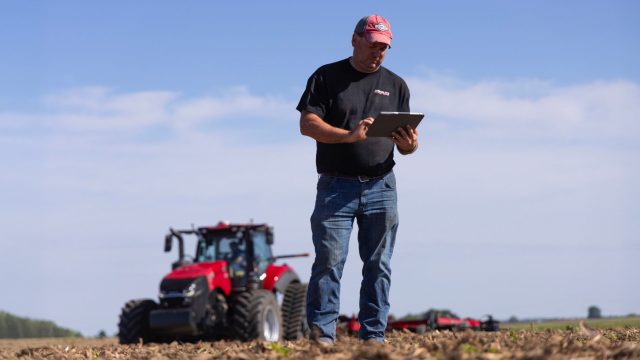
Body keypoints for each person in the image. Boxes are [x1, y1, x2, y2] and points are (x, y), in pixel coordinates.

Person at [296, 15, 419, 345]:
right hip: (336, 187)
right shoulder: (326, 76)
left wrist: (410, 146)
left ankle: (374, 340)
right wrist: (349, 136)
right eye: (372, 44)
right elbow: (308, 124)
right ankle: (322, 339)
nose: (377, 52)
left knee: (379, 266)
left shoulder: (397, 85)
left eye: (383, 47)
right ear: (354, 40)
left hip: (382, 186)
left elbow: (407, 143)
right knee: (329, 263)